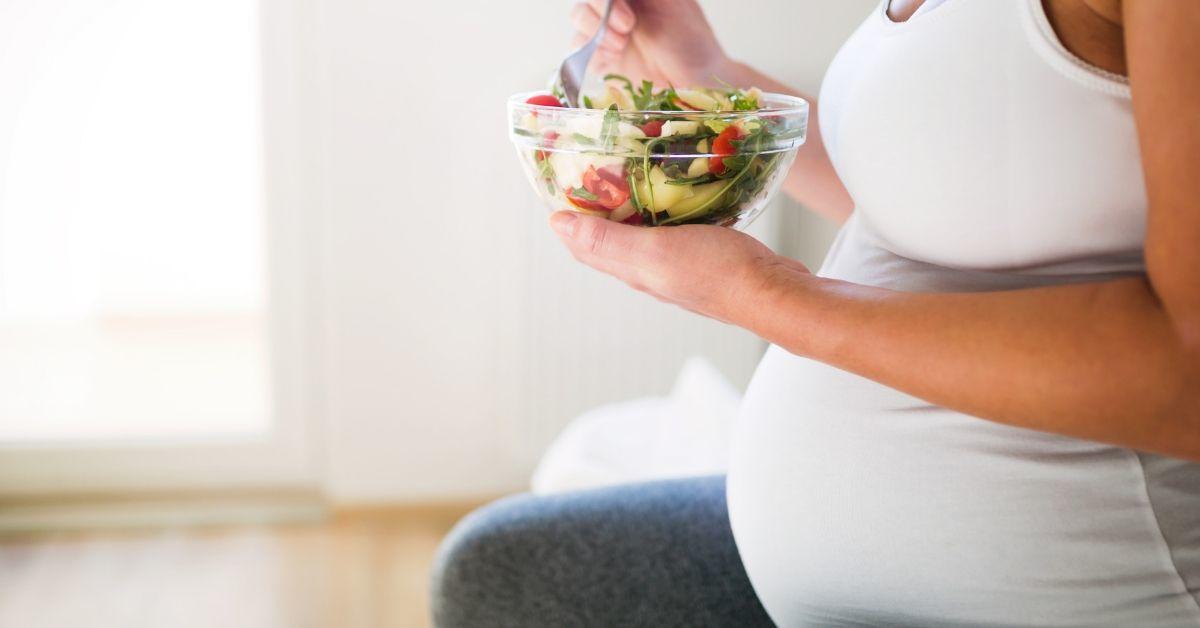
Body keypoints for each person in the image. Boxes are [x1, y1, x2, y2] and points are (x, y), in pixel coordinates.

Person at [432, 0, 1200, 625]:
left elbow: (1188, 372)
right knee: (498, 568)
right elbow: (934, 200)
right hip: (843, 578)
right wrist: (706, 73)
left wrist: (764, 296)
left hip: (1068, 591)